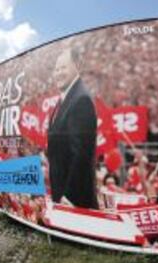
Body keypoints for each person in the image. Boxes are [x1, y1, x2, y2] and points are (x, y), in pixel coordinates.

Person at [47, 48, 98, 209]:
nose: (58, 73)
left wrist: (69, 197)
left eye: (63, 68)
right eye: (56, 69)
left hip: (74, 202)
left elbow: (82, 154)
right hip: (62, 194)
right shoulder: (67, 97)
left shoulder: (80, 99)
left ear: (76, 65)